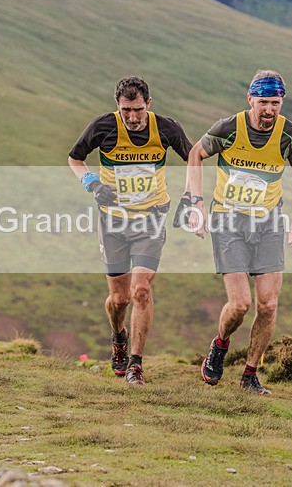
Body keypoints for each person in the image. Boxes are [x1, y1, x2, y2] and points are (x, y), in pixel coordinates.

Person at [186, 70, 292, 395]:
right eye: (263, 102)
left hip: (268, 222)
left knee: (268, 304)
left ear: (282, 101)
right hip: (229, 221)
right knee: (240, 304)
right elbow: (195, 154)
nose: (269, 110)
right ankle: (221, 343)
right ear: (250, 100)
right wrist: (196, 202)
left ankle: (250, 373)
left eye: (275, 103)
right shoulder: (228, 128)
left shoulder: (290, 134)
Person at [68, 76, 192, 385]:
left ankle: (136, 364)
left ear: (148, 104)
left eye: (137, 110)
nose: (133, 118)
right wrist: (92, 183)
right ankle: (118, 337)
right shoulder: (103, 127)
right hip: (113, 222)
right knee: (119, 299)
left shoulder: (166, 128)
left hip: (150, 219)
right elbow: (75, 158)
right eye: (126, 110)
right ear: (118, 106)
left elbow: (194, 160)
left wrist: (191, 197)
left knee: (140, 290)